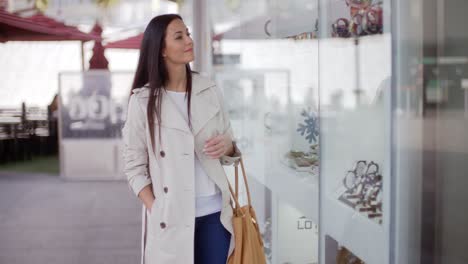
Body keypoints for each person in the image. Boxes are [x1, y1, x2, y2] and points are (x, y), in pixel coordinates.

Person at [121, 14, 242, 264]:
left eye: (187, 33)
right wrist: (157, 208)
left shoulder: (208, 89)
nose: (189, 40)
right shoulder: (142, 101)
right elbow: (133, 166)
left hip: (215, 214)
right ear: (161, 49)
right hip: (170, 219)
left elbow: (230, 143)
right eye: (179, 36)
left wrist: (228, 145)